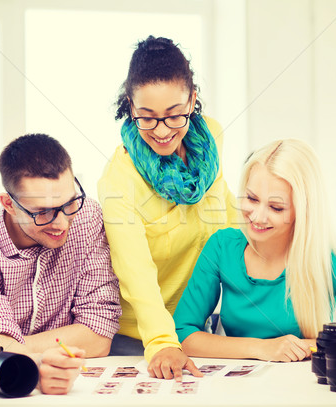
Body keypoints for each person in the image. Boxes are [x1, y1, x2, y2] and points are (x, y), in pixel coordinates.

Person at [173, 139, 336, 363]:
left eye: (276, 207)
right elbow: (184, 332)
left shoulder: (325, 259)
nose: (258, 217)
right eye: (252, 198)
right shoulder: (222, 247)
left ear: (302, 211)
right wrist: (262, 348)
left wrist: (309, 345)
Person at [97, 36, 238, 380]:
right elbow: (136, 273)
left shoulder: (211, 142)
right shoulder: (119, 180)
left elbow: (228, 219)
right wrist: (161, 341)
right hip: (141, 338)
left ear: (192, 99)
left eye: (175, 115)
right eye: (147, 117)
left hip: (201, 327)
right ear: (130, 107)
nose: (162, 132)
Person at [0, 134, 122, 394]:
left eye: (69, 203)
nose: (61, 223)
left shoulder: (88, 217)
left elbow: (99, 336)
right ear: (9, 204)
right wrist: (0, 348)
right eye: (43, 212)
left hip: (77, 385)